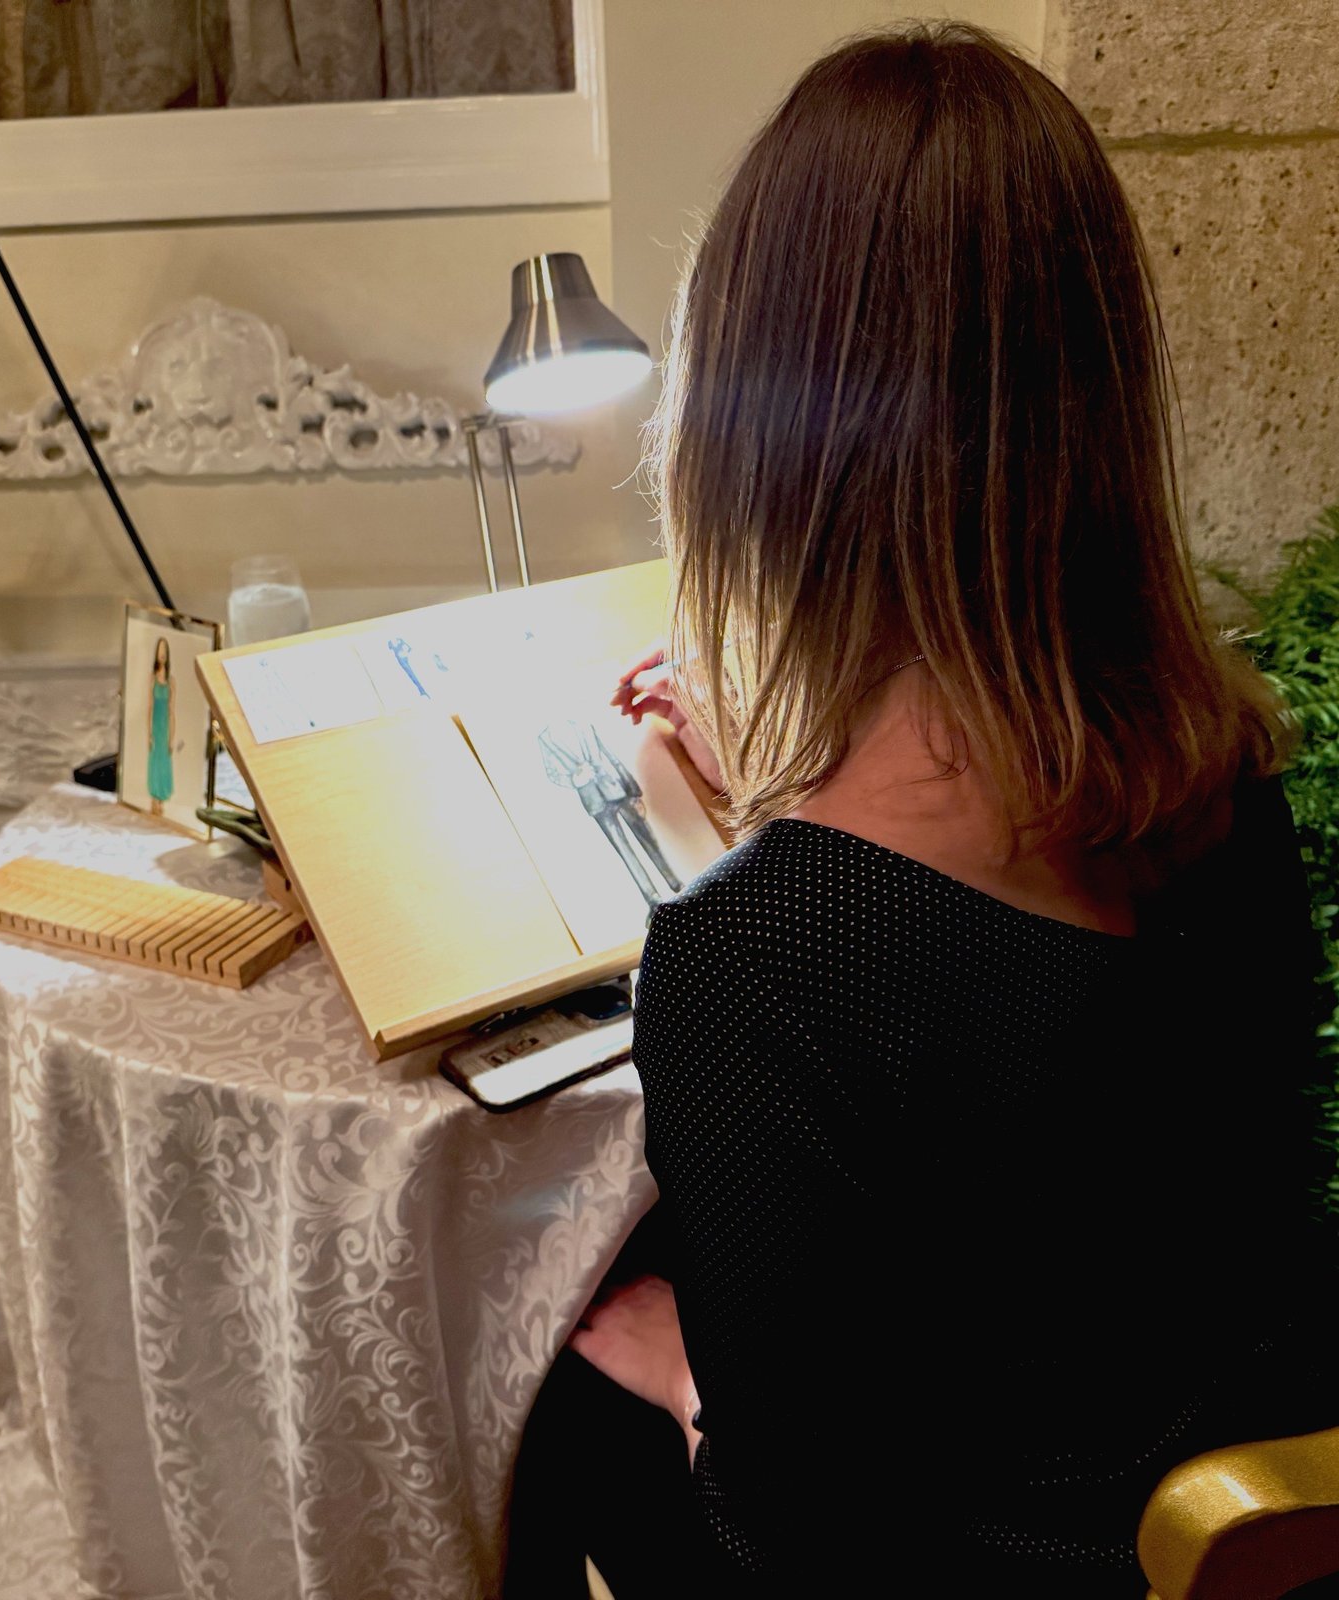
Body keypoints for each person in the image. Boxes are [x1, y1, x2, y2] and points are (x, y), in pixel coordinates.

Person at [504, 22, 1333, 1599]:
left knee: (557, 1397)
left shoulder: (759, 956)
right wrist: (782, 776)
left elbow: (802, 1553)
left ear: (754, 423)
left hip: (1008, 1566)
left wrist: (689, 1378)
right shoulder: (1224, 779)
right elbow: (1093, 1157)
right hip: (1224, 1488)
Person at [538, 720, 685, 908]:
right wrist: (575, 779)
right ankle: (652, 897)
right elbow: (552, 773)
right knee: (624, 851)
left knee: (647, 836)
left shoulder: (583, 725)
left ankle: (675, 882)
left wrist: (633, 789)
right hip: (595, 802)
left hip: (616, 789)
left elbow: (610, 755)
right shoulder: (545, 739)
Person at [146, 635, 176, 815]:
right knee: (154, 761)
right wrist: (148, 732)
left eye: (165, 651)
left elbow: (173, 711)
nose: (162, 654)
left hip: (165, 725)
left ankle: (161, 798)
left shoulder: (171, 681)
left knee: (164, 761)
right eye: (160, 650)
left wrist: (172, 737)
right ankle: (154, 798)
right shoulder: (152, 679)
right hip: (155, 724)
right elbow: (149, 708)